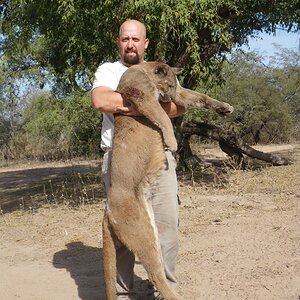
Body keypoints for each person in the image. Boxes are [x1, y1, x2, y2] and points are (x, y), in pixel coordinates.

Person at [91, 19, 185, 300]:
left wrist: (138, 103)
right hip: (122, 161)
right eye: (125, 39)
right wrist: (144, 104)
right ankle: (122, 292)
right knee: (121, 230)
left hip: (158, 159)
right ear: (118, 42)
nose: (130, 44)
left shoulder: (159, 71)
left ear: (145, 44)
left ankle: (164, 289)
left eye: (136, 39)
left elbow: (178, 105)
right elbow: (102, 101)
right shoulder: (108, 70)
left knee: (167, 225)